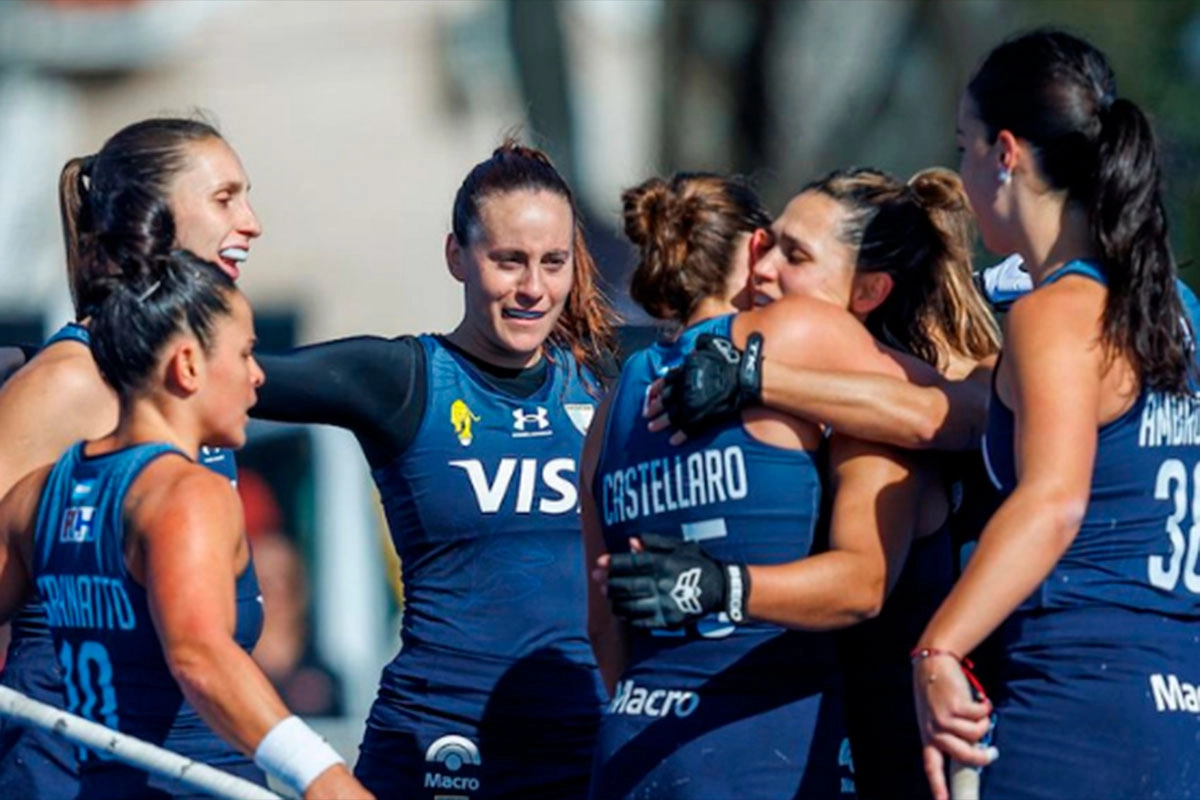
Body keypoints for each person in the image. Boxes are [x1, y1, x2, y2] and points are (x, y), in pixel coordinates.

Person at [246, 140, 618, 799]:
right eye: (508, 260)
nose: (533, 288)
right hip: (439, 748)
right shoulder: (405, 379)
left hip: (585, 747)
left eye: (553, 262)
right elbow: (220, 377)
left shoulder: (608, 383)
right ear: (456, 257)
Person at [583, 169, 968, 799]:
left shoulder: (619, 393)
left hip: (636, 742)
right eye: (769, 246)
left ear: (871, 288)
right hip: (767, 753)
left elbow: (603, 629)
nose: (768, 272)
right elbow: (864, 581)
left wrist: (755, 379)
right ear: (746, 247)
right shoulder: (804, 336)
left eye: (795, 254)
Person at [913, 29, 1200, 800]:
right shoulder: (1177, 309)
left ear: (1006, 154)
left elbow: (1054, 501)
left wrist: (939, 648)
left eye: (966, 148)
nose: (963, 175)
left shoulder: (1055, 312)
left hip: (1074, 696)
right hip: (1176, 701)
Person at [0, 250, 370, 799]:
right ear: (188, 365)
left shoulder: (37, 494)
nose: (257, 376)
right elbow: (198, 656)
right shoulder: (187, 493)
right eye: (244, 354)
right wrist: (325, 776)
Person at [0, 117, 262, 799]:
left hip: (192, 765)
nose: (252, 223)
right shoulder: (68, 380)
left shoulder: (190, 385)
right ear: (152, 214)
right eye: (225, 199)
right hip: (66, 771)